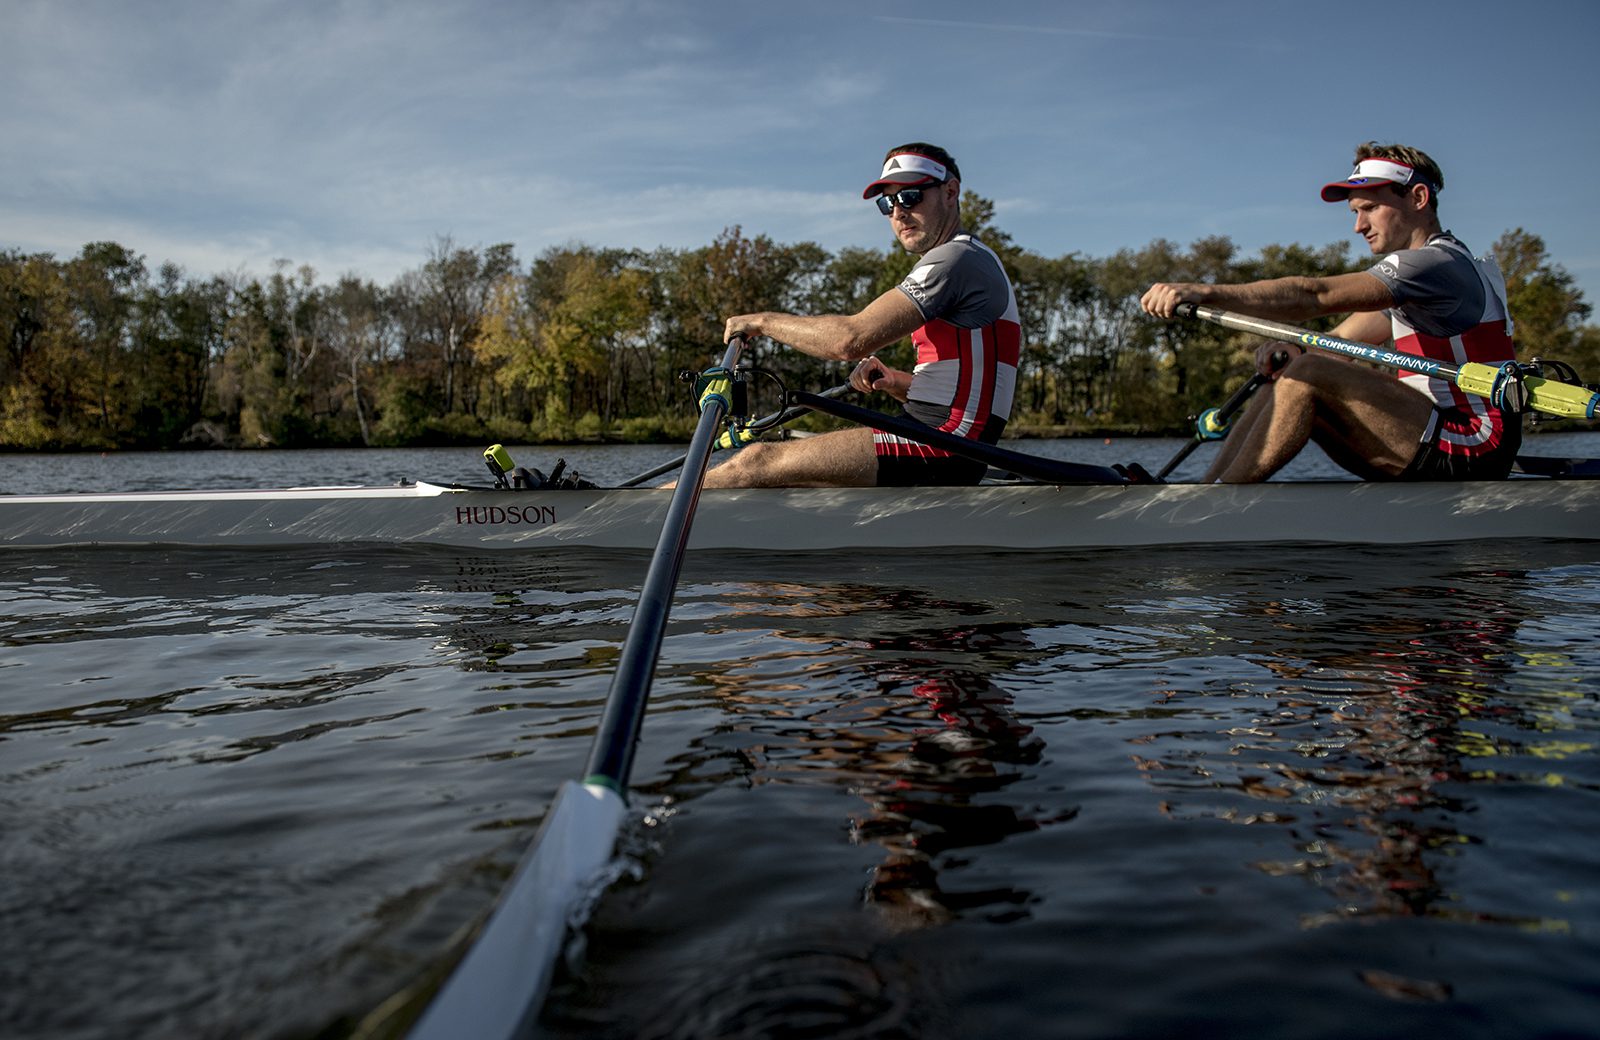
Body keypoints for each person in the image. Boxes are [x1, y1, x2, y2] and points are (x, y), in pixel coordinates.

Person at [1140, 142, 1520, 483]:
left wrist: (1204, 292)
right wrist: (1292, 352)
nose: (1358, 226)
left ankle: (1215, 508)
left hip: (1474, 444)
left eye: (1370, 208)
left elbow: (1314, 296)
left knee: (1307, 372)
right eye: (1355, 212)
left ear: (1418, 198)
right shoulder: (1423, 284)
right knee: (1296, 365)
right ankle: (1211, 490)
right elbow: (1336, 343)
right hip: (1436, 439)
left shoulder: (1436, 264)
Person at [685, 142, 1020, 488]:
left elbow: (850, 340)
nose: (898, 213)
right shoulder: (970, 259)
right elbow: (973, 390)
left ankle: (633, 528)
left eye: (910, 197)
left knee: (758, 460)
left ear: (950, 192)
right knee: (790, 470)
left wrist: (760, 322)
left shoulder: (957, 259)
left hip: (945, 446)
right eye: (887, 203)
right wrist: (897, 383)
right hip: (940, 437)